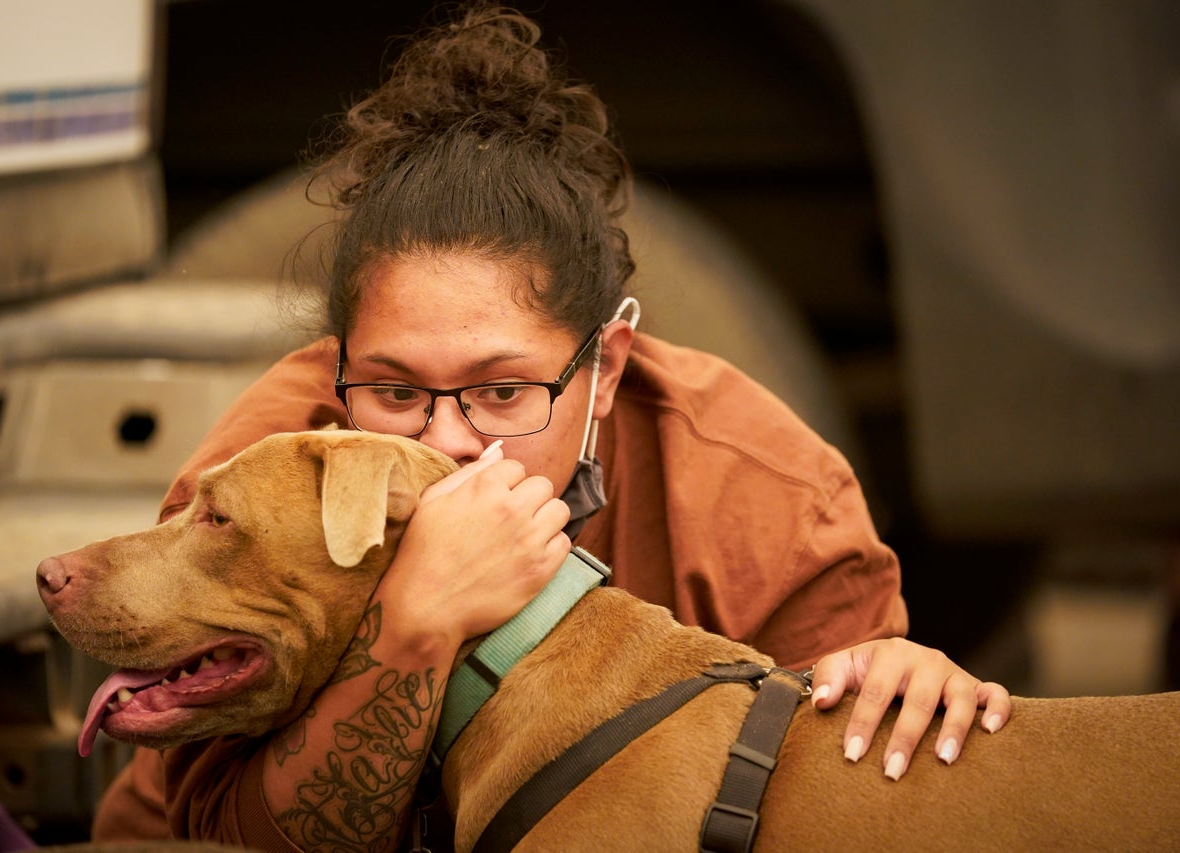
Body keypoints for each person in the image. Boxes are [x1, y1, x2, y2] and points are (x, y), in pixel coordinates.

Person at [92, 4, 1010, 849]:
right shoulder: (261, 472)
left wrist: (903, 688)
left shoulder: (768, 497)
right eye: (394, 390)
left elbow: (834, 804)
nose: (445, 441)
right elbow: (234, 831)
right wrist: (416, 621)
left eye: (501, 393)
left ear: (604, 368)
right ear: (341, 363)